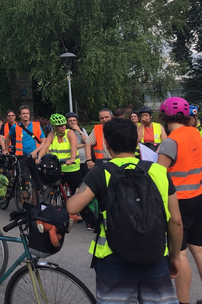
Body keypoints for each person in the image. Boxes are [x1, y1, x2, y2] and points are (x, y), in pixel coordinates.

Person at [67, 118, 182, 304]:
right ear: (137, 143)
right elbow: (176, 220)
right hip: (155, 257)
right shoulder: (158, 171)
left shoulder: (101, 172)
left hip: (112, 259)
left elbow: (73, 207)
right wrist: (175, 257)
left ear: (106, 144)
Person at [156, 97, 202, 304]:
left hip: (178, 203)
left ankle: (183, 302)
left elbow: (158, 175)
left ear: (163, 116)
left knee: (180, 254)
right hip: (198, 196)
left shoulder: (170, 142)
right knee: (199, 249)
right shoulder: (196, 133)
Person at [4, 106, 44, 191]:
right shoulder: (16, 126)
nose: (25, 115)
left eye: (27, 113)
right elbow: (8, 137)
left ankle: (34, 203)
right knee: (24, 184)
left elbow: (44, 141)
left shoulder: (36, 126)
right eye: (23, 114)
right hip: (22, 157)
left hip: (35, 157)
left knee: (37, 184)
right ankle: (24, 202)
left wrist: (36, 151)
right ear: (19, 115)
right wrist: (6, 150)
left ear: (29, 115)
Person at [39, 114, 81, 195]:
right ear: (54, 127)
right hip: (57, 167)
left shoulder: (70, 133)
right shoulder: (52, 134)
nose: (63, 127)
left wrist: (72, 158)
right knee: (54, 190)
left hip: (71, 167)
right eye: (60, 126)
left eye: (64, 125)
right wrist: (39, 157)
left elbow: (74, 146)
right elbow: (46, 146)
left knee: (76, 191)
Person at [66, 112, 89, 179]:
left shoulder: (82, 130)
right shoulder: (66, 132)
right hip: (74, 162)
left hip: (84, 160)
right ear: (67, 123)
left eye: (74, 120)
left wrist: (79, 131)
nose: (72, 122)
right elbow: (70, 146)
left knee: (86, 180)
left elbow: (88, 142)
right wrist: (82, 145)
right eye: (70, 121)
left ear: (77, 121)